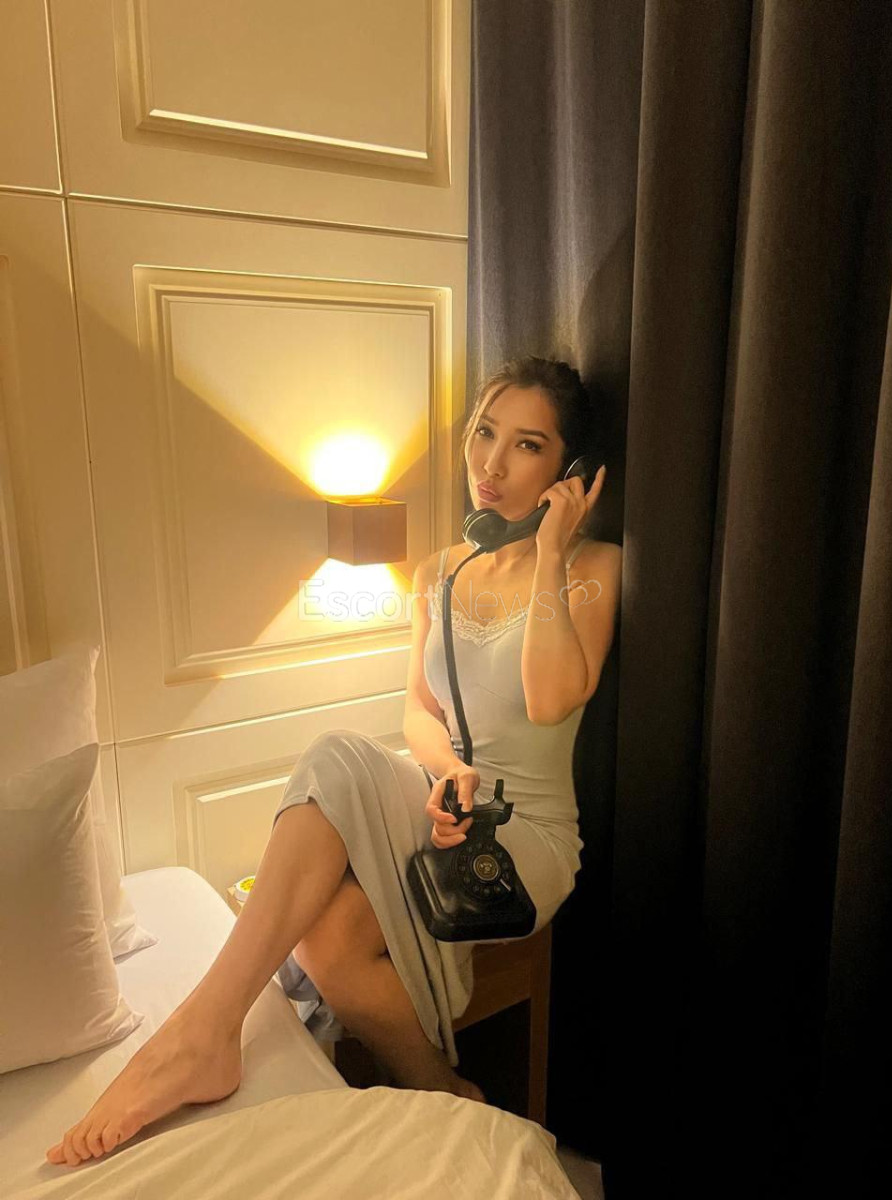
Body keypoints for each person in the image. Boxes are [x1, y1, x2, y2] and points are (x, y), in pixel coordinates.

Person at [46, 355, 622, 1167]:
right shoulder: (440, 570)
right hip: (444, 802)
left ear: (568, 473)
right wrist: (449, 773)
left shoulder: (594, 569)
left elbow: (549, 699)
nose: (491, 464)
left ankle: (201, 1034)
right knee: (325, 915)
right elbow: (418, 710)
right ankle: (440, 1091)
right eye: (485, 433)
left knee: (337, 773)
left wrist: (553, 552)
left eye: (527, 446)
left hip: (526, 837)